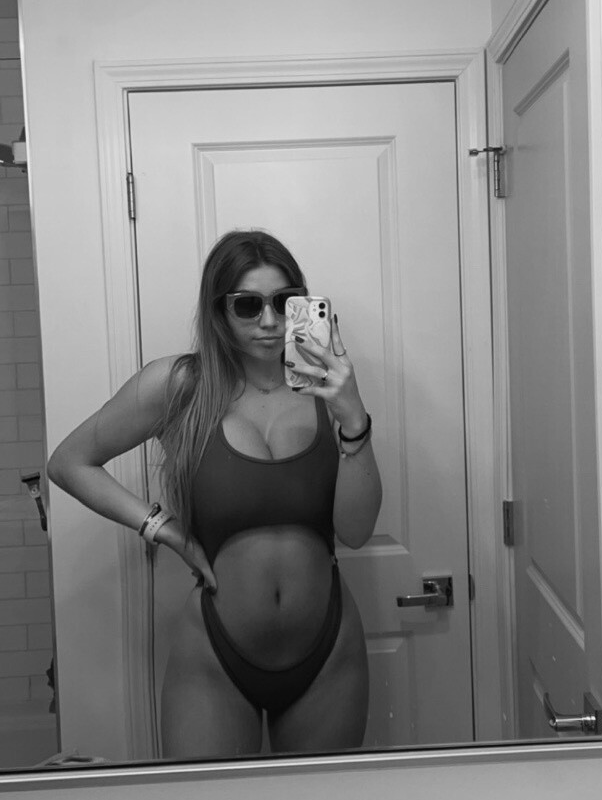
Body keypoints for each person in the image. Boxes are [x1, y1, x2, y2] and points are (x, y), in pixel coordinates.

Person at [47, 229, 382, 759]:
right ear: (219, 309)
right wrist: (164, 530)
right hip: (215, 656)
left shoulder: (327, 388)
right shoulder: (181, 386)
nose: (269, 321)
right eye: (248, 304)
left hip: (328, 651)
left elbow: (357, 532)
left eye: (284, 302)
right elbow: (69, 463)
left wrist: (354, 419)